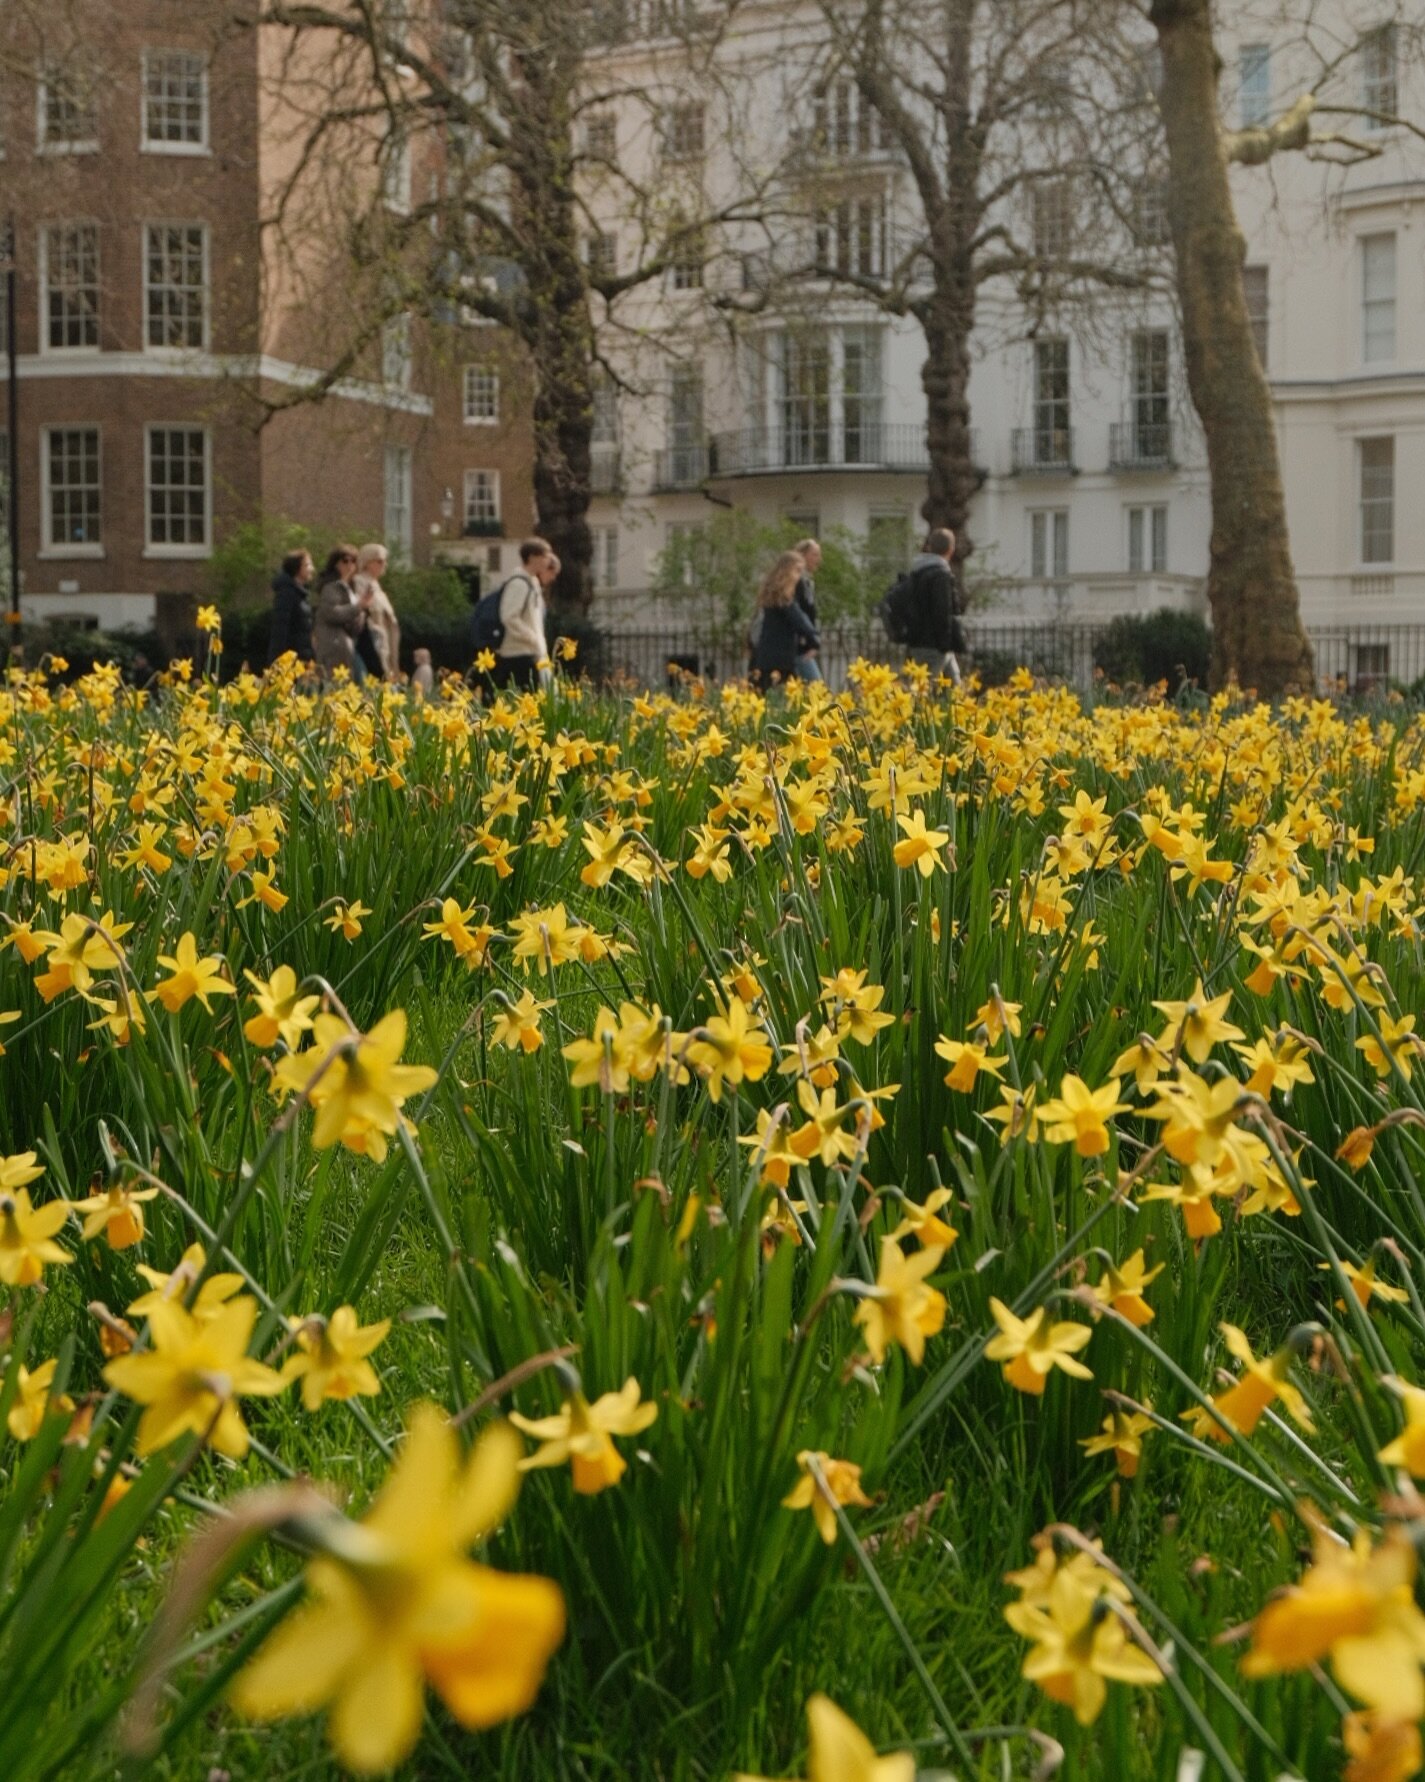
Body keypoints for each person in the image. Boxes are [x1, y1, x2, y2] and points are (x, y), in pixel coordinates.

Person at [897, 527, 965, 686]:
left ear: (929, 547)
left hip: (918, 642)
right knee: (921, 692)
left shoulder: (916, 572)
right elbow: (942, 612)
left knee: (954, 689)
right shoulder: (940, 574)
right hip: (934, 646)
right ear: (951, 549)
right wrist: (945, 643)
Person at [491, 537, 556, 693]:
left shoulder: (531, 582)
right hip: (519, 654)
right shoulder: (519, 584)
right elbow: (509, 616)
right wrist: (532, 638)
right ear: (533, 557)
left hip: (529, 652)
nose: (548, 561)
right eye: (545, 556)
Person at [750, 550, 820, 688]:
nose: (799, 577)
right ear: (786, 572)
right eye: (797, 571)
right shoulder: (783, 598)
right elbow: (800, 620)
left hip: (768, 660)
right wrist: (814, 641)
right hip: (780, 662)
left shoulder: (772, 595)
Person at [312, 545, 369, 683]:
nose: (350, 565)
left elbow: (354, 627)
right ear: (335, 564)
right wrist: (358, 607)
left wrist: (362, 611)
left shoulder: (350, 589)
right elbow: (331, 613)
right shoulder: (331, 587)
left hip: (347, 649)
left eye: (353, 561)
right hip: (332, 650)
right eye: (345, 561)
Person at [355, 543, 401, 679]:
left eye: (385, 561)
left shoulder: (378, 588)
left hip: (385, 646)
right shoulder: (359, 583)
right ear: (367, 562)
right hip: (372, 645)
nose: (384, 564)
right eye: (379, 561)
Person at [268, 550, 315, 665]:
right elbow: (280, 629)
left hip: (302, 658)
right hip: (291, 661)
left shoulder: (301, 594)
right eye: (307, 565)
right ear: (296, 568)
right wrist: (278, 662)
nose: (312, 569)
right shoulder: (287, 593)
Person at [791, 536, 823, 682]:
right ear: (803, 556)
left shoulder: (808, 582)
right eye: (815, 554)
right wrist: (810, 641)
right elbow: (798, 614)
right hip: (799, 647)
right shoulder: (796, 582)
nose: (818, 559)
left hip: (803, 645)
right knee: (816, 687)